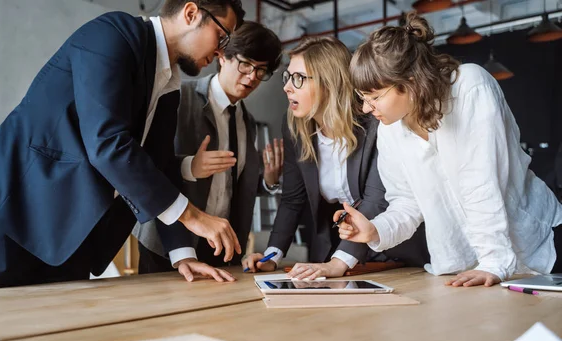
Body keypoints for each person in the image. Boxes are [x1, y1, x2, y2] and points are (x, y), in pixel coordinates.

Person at [0, 0, 247, 290]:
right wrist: (194, 216)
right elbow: (107, 144)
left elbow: (157, 167)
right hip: (8, 216)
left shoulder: (169, 85)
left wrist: (182, 254)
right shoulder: (113, 35)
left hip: (68, 237)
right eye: (222, 36)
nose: (222, 51)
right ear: (191, 13)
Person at [338, 12, 562, 287]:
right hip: (466, 267)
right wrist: (375, 230)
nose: (365, 108)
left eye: (374, 97)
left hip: (537, 246)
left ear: (409, 83)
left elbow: (480, 182)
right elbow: (407, 202)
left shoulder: (469, 86)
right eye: (362, 98)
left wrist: (493, 262)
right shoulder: (389, 130)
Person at [241, 37, 429, 280]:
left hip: (394, 252)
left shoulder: (376, 122)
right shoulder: (295, 129)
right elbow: (292, 199)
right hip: (337, 252)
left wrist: (339, 263)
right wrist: (272, 255)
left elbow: (376, 200)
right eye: (287, 77)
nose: (287, 87)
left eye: (299, 79)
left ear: (329, 83)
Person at [134, 21, 283, 282]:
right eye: (246, 64)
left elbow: (232, 185)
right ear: (222, 56)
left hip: (220, 245)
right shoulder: (179, 97)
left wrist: (269, 180)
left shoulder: (246, 121)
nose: (251, 77)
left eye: (261, 71)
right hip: (170, 242)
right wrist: (189, 166)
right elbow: (149, 164)